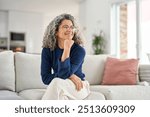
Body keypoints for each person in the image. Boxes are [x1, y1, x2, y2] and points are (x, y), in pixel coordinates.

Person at [41, 13, 90, 100]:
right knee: (60, 96)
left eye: (71, 27)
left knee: (56, 82)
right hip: (61, 84)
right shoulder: (47, 50)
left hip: (79, 86)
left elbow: (64, 74)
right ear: (56, 31)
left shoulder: (79, 50)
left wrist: (67, 48)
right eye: (65, 27)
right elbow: (45, 78)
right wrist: (71, 76)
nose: (69, 30)